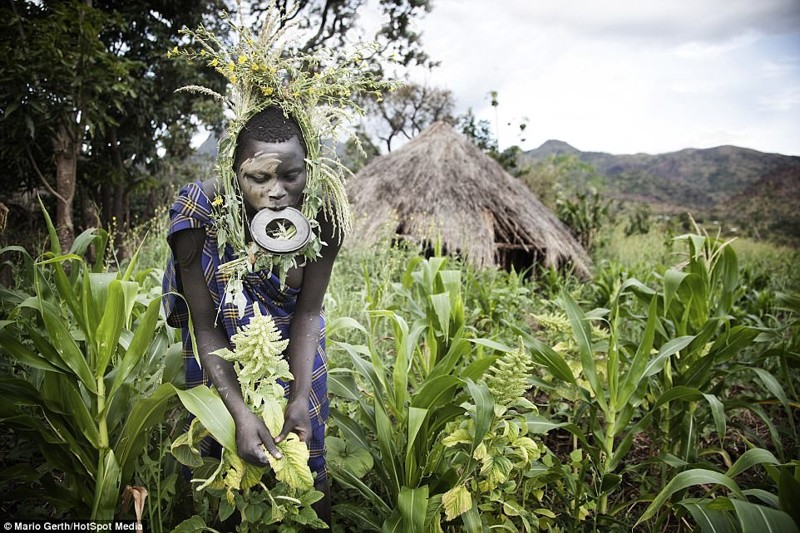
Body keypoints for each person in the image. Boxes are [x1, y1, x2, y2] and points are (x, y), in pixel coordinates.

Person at [162, 106, 337, 527]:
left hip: (294, 344)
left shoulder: (327, 217)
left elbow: (309, 311)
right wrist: (239, 413)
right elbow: (204, 325)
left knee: (305, 462)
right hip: (218, 348)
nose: (275, 192)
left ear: (308, 170)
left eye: (290, 177)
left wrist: (296, 398)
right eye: (258, 178)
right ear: (233, 173)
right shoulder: (198, 217)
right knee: (219, 465)